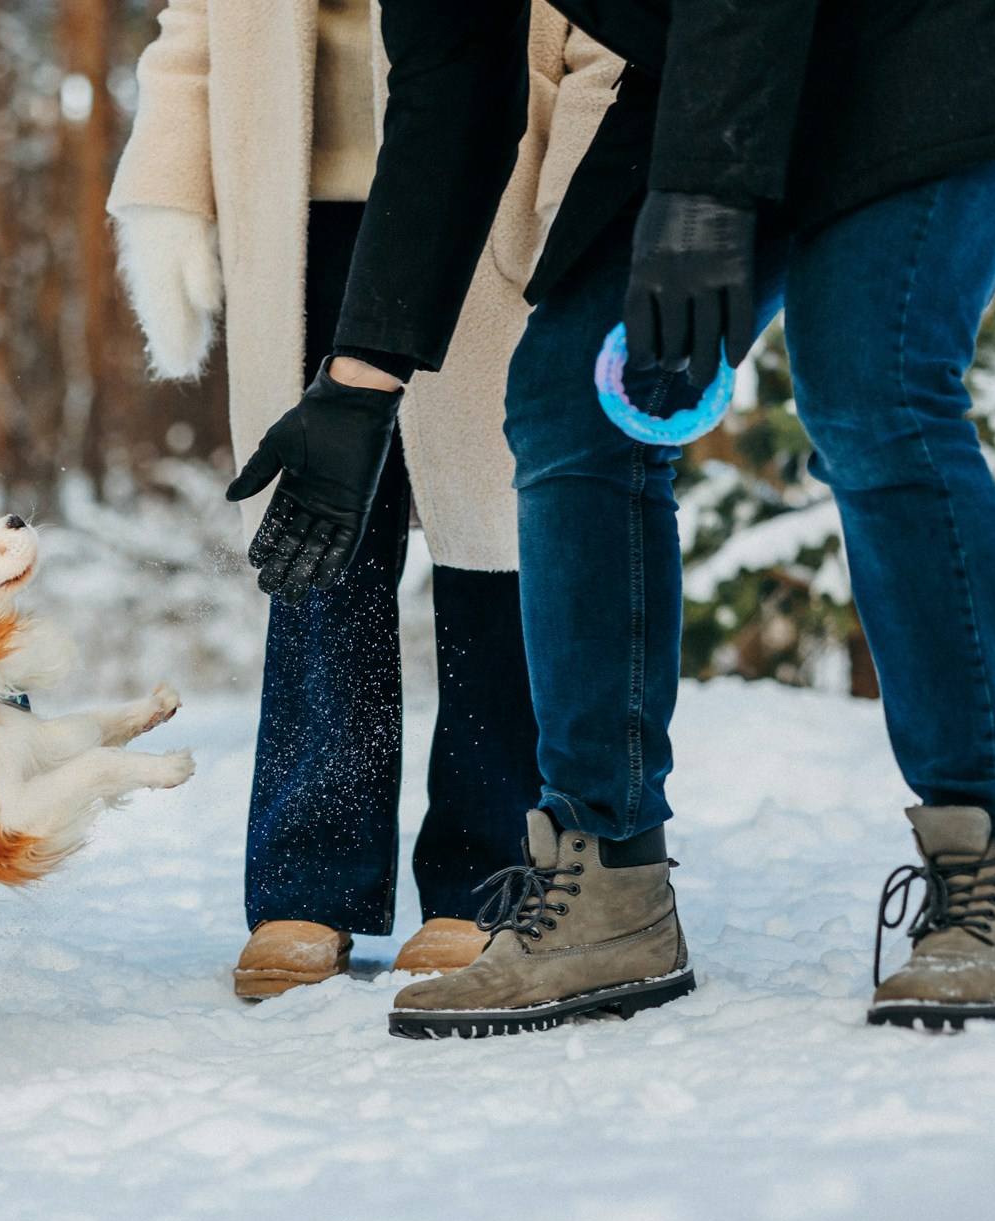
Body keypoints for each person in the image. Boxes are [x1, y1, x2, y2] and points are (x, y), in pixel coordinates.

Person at [229, 0, 995, 1035]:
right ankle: (608, 879)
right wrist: (359, 381)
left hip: (928, 36)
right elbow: (452, 83)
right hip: (715, 64)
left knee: (872, 377)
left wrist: (705, 194)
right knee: (568, 396)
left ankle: (989, 859)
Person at [108, 0, 621, 998]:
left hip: (487, 211)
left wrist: (577, 202)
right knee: (314, 547)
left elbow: (601, 35)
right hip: (296, 225)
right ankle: (309, 880)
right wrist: (166, 196)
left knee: (493, 541)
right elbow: (193, 29)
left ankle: (488, 872)